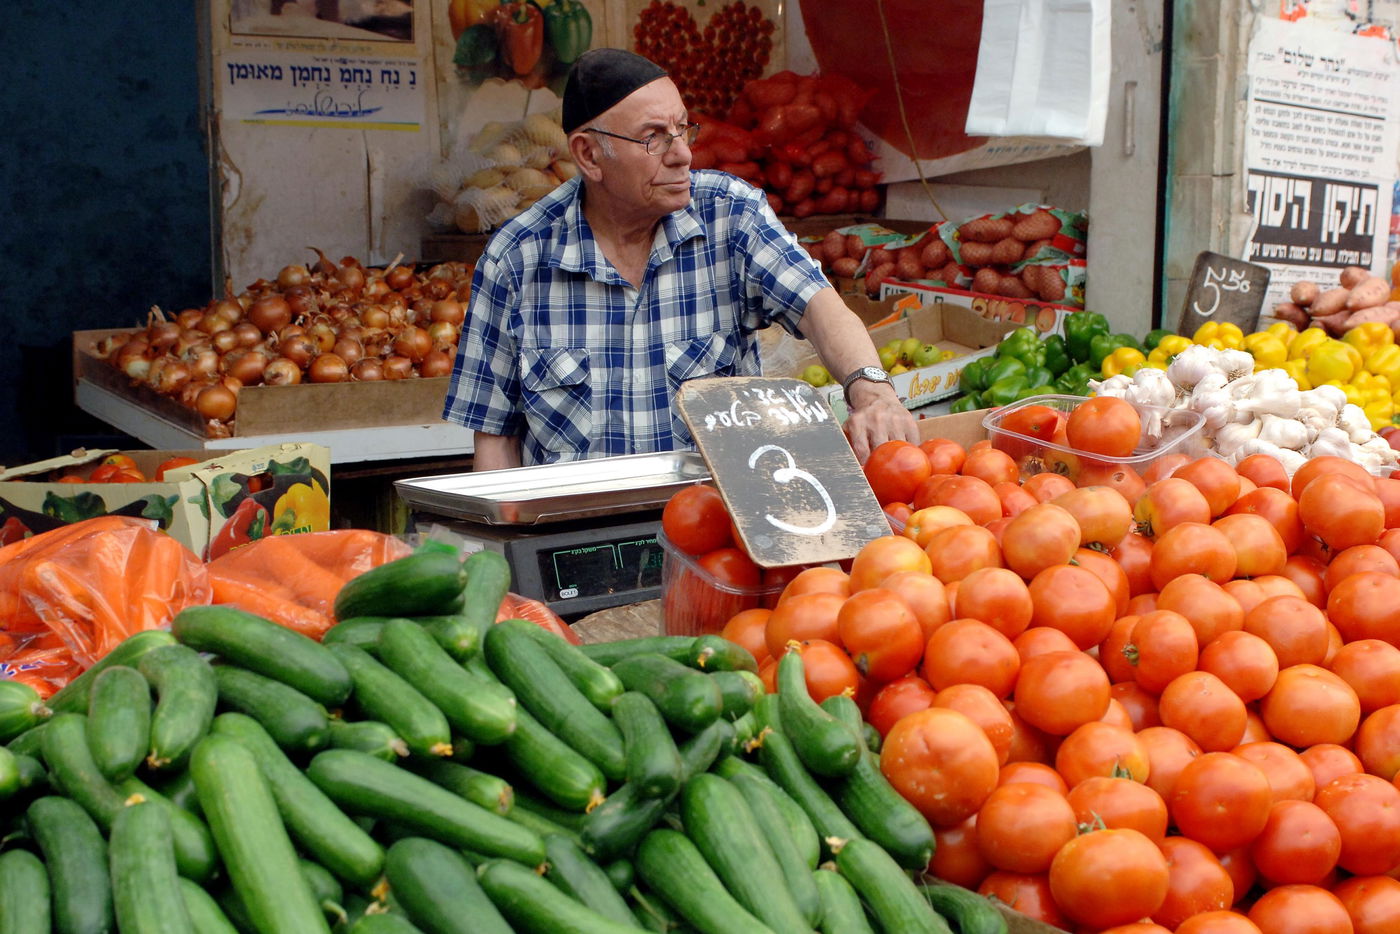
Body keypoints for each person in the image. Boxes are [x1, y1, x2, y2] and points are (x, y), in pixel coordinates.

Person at [442, 47, 920, 471]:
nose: (683, 154)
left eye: (682, 128)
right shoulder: (516, 259)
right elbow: (494, 435)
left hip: (717, 528)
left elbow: (820, 307)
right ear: (589, 156)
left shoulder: (729, 215)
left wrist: (872, 391)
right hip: (579, 536)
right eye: (654, 137)